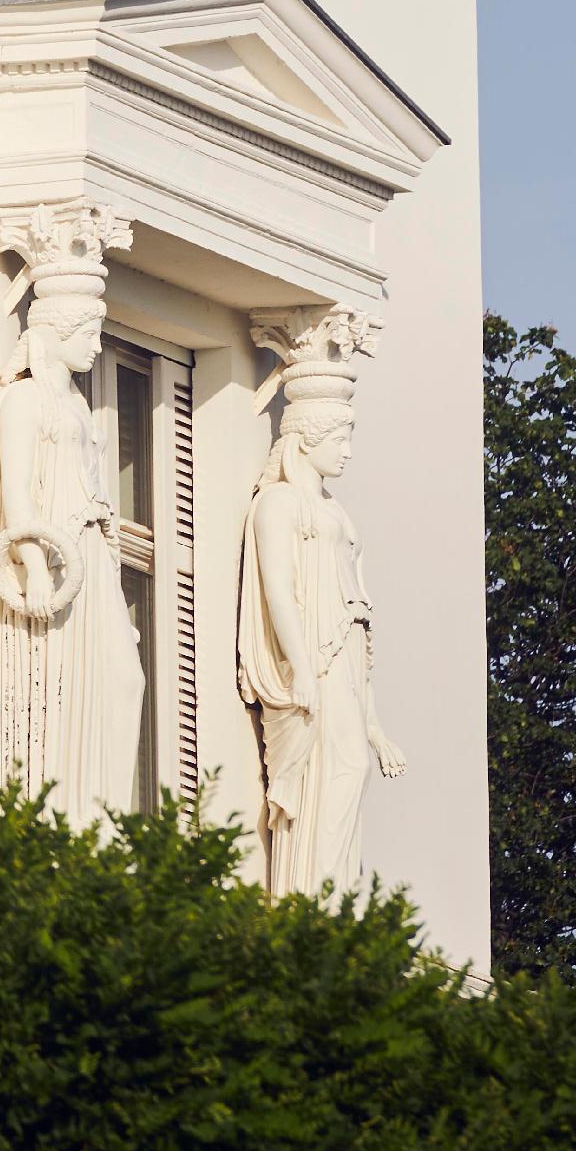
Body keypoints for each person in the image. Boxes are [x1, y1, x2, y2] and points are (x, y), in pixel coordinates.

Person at [0, 214, 142, 814]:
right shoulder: (24, 401)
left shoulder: (76, 408)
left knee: (125, 681)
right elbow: (17, 495)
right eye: (92, 332)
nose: (99, 346)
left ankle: (104, 819)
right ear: (60, 328)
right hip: (57, 554)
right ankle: (67, 810)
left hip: (93, 554)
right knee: (70, 684)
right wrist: (35, 566)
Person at [235, 346, 408, 894]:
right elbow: (279, 593)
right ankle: (311, 897)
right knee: (339, 771)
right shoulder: (278, 504)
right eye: (339, 440)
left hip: (344, 656)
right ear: (307, 439)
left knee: (353, 767)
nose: (348, 453)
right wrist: (302, 668)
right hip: (313, 660)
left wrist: (377, 727)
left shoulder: (336, 512)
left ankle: (335, 902)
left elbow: (360, 634)